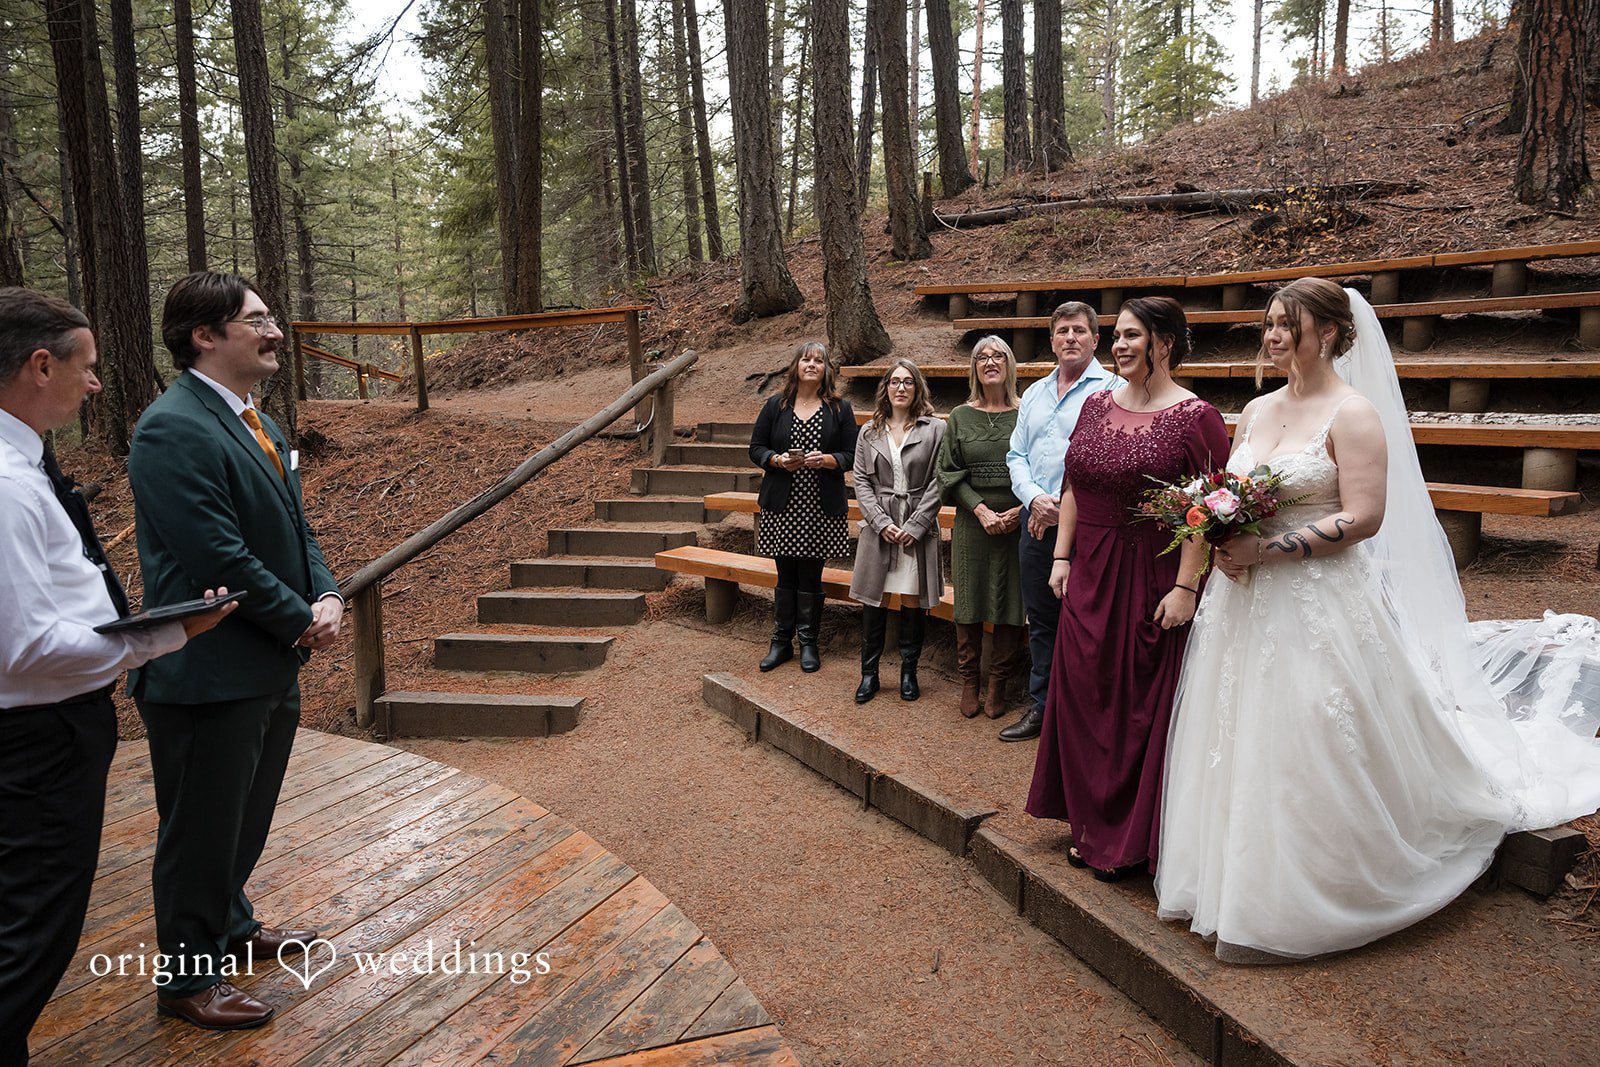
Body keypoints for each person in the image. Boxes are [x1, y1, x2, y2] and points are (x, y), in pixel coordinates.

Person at [1156, 279, 1600, 961]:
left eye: (1287, 325)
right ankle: (1232, 883)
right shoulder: (1254, 411)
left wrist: (1266, 550)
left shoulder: (1354, 413)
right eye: (1267, 325)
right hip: (1243, 605)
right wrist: (1218, 536)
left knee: (1310, 730)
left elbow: (1365, 516)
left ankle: (1314, 891)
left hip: (1318, 597)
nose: (1272, 337)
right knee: (1240, 731)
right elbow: (1228, 493)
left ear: (1330, 331)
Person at [0, 288, 236, 1064]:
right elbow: (25, 646)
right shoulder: (5, 487)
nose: (97, 382)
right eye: (87, 366)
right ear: (40, 365)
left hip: (48, 732)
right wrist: (166, 632)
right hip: (36, 742)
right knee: (32, 931)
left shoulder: (25, 464)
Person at [127, 271, 344, 1029]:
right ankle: (188, 980)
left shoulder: (263, 422)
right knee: (200, 829)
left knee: (243, 816)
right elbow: (216, 553)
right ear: (205, 336)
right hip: (208, 671)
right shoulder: (170, 428)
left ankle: (232, 922)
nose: (275, 329)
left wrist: (326, 595)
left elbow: (297, 529)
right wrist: (295, 618)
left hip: (268, 661)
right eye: (257, 319)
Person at [1024, 297, 1229, 880]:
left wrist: (1187, 586)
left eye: (1132, 336)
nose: (1119, 345)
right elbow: (1072, 489)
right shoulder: (1093, 405)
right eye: (1115, 335)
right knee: (1085, 693)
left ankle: (1128, 837)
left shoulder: (1197, 418)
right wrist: (1061, 557)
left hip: (1150, 574)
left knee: (1135, 704)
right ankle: (1086, 821)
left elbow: (1205, 510)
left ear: (1164, 343)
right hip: (1087, 566)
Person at [1002, 302, 1124, 740]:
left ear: (1095, 339)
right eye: (1062, 331)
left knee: (1090, 622)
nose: (1070, 338)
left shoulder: (1113, 390)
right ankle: (1043, 707)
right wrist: (1036, 499)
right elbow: (1016, 455)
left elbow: (1110, 459)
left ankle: (1087, 715)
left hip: (1090, 526)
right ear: (1051, 340)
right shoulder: (1034, 393)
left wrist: (1062, 505)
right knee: (1042, 619)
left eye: (1079, 331)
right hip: (1035, 523)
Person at [749, 341, 858, 673]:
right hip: (783, 506)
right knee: (785, 576)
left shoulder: (840, 409)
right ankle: (781, 642)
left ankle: (809, 643)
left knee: (811, 577)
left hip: (819, 508)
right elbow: (756, 448)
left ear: (827, 370)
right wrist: (777, 460)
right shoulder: (776, 406)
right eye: (806, 359)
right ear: (796, 366)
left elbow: (851, 455)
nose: (812, 365)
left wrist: (826, 460)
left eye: (819, 361)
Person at [936, 336, 1026, 718]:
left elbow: (1044, 466)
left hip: (1019, 522)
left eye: (997, 356)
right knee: (969, 601)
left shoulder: (1028, 411)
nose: (990, 362)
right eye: (981, 357)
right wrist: (981, 510)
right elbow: (947, 474)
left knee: (1011, 603)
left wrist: (1022, 509)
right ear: (974, 368)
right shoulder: (960, 416)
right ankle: (969, 681)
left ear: (1009, 364)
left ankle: (997, 685)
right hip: (974, 523)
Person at [850, 360, 946, 703]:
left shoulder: (934, 429)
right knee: (874, 599)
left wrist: (916, 525)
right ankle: (869, 674)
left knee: (910, 599)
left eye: (907, 382)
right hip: (881, 527)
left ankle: (909, 672)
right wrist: (881, 522)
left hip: (915, 527)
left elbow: (939, 479)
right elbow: (861, 480)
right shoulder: (869, 431)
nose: (901, 387)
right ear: (886, 388)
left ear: (917, 387)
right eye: (894, 381)